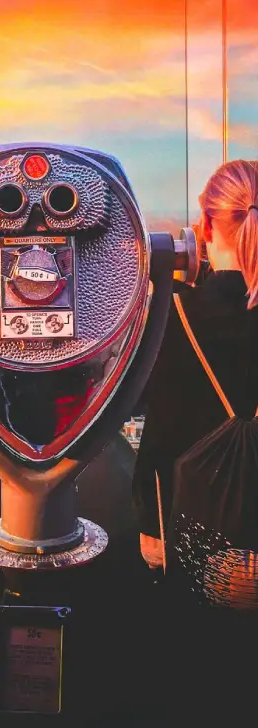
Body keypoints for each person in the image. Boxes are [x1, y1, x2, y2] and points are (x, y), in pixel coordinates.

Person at [132, 159, 258, 570]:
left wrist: (152, 521)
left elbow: (162, 424)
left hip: (194, 529)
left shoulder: (175, 315)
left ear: (204, 226)